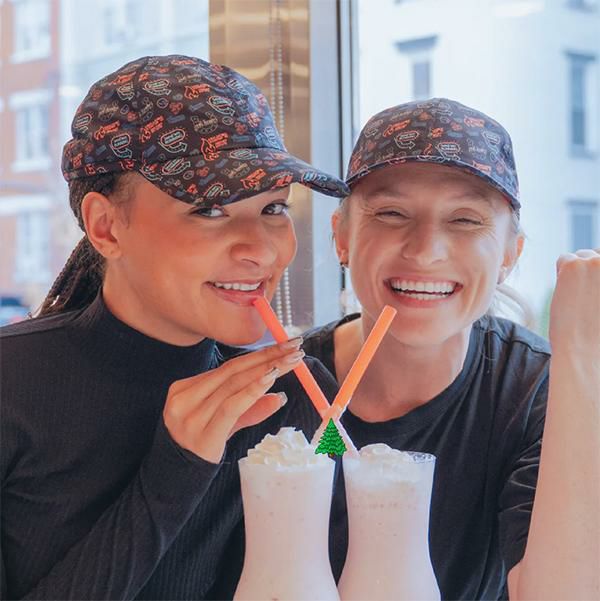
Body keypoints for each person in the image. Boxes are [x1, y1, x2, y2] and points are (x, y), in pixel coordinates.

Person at [0, 55, 347, 599]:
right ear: (106, 226)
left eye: (274, 208)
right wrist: (177, 470)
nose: (261, 250)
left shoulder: (300, 396)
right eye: (210, 210)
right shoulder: (12, 384)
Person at [302, 98, 600, 599]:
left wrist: (581, 357)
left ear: (509, 255)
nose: (425, 251)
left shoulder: (538, 393)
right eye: (391, 213)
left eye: (465, 220)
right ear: (342, 237)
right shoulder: (278, 385)